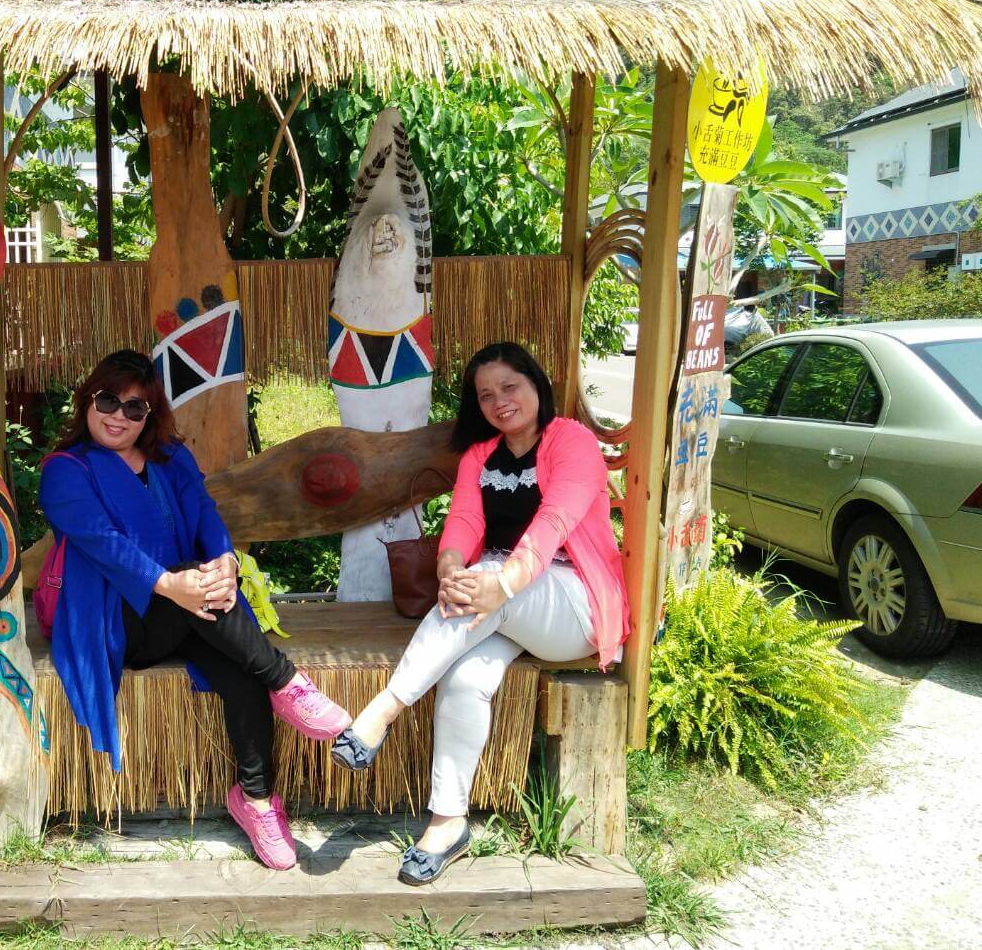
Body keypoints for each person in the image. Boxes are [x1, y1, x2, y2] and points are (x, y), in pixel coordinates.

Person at [39, 349, 351, 870]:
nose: (118, 416)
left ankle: (256, 801)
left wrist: (225, 560)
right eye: (108, 401)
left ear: (150, 415)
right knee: (202, 591)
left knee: (240, 668)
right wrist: (171, 583)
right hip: (112, 622)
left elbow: (206, 514)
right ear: (88, 399)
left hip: (185, 609)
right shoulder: (66, 470)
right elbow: (102, 543)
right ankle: (288, 682)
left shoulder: (170, 459)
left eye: (135, 408)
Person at [331, 341, 630, 885]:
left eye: (510, 387)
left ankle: (383, 712)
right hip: (502, 604)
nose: (499, 401)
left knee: (484, 582)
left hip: (573, 603)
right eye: (486, 394)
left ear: (537, 384)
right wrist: (449, 567)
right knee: (465, 680)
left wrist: (503, 582)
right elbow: (465, 521)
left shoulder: (572, 441)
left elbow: (554, 522)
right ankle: (447, 823)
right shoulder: (481, 455)